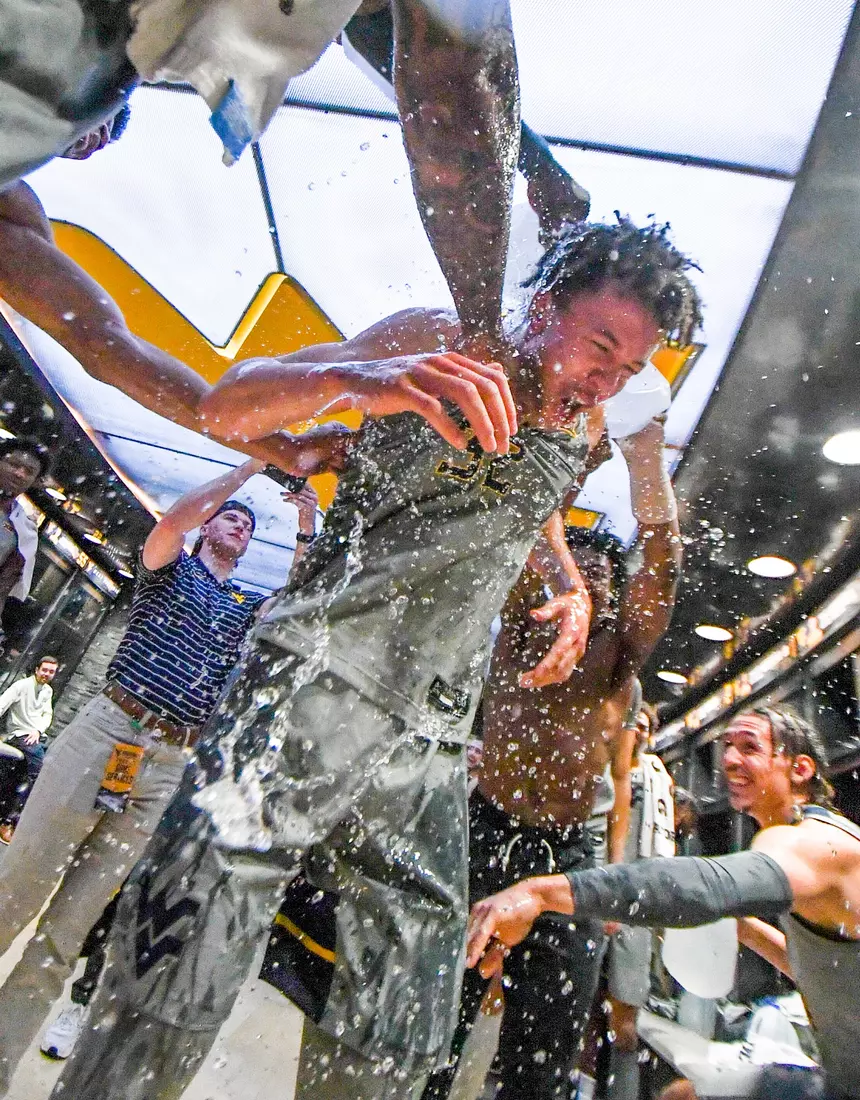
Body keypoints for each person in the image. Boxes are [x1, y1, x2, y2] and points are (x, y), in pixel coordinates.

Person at [48, 217, 702, 1100]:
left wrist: (566, 578)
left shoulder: (582, 427)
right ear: (543, 307)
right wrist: (363, 381)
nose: (606, 380)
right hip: (308, 682)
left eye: (628, 370)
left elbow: (533, 496)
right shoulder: (434, 340)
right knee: (187, 953)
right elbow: (227, 403)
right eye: (597, 348)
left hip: (430, 740)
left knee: (406, 1004)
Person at [0, 457, 278, 1096]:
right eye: (229, 519)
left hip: (167, 765)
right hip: (109, 730)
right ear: (208, 528)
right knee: (18, 889)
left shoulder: (242, 610)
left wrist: (308, 518)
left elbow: (300, 596)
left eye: (246, 525)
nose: (238, 526)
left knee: (68, 932)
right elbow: (175, 520)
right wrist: (246, 471)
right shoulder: (168, 571)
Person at [421, 418, 681, 1100]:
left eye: (603, 577)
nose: (588, 581)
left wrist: (646, 463)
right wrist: (586, 451)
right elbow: (534, 514)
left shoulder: (619, 661)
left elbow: (663, 565)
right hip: (488, 827)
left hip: (573, 851)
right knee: (433, 1019)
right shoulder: (518, 622)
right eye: (578, 569)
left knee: (544, 1046)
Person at [466, 704, 860, 1100]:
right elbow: (825, 971)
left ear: (800, 768)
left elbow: (707, 885)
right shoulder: (821, 845)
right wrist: (743, 929)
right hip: (837, 1082)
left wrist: (540, 892)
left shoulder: (811, 844)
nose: (729, 759)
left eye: (750, 747)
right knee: (683, 1095)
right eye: (727, 745)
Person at [603, 701, 675, 1100]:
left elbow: (663, 846)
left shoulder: (656, 776)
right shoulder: (601, 770)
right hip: (592, 895)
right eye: (636, 725)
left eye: (646, 727)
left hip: (636, 904)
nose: (641, 732)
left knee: (625, 1017)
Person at [0, 654, 59, 843]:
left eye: (51, 672)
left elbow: (46, 716)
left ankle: (11, 816)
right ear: (37, 669)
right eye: (45, 670)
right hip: (19, 736)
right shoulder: (21, 686)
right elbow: (2, 704)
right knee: (40, 774)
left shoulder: (47, 691)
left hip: (35, 737)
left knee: (41, 769)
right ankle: (10, 821)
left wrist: (37, 730)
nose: (47, 674)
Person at [0, 437, 48, 651]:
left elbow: (7, 587)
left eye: (29, 471)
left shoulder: (24, 530)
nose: (20, 474)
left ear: (36, 481)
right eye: (14, 465)